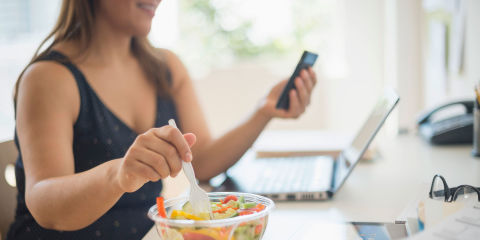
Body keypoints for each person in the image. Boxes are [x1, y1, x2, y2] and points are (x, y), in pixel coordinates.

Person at [6, 0, 317, 239]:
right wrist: (120, 174)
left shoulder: (165, 67)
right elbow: (45, 204)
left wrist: (264, 111)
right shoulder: (49, 78)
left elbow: (203, 162)